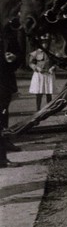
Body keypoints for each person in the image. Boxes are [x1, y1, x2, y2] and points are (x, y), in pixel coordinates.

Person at [0, 39, 20, 168]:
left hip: (3, 92)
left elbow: (8, 69)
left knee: (2, 124)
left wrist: (12, 60)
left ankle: (2, 157)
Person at [28, 37, 55, 110]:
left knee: (48, 92)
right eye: (43, 43)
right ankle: (38, 109)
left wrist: (52, 68)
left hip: (48, 74)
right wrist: (36, 68)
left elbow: (57, 62)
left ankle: (49, 108)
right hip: (39, 74)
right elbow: (30, 63)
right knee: (39, 93)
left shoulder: (52, 52)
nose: (44, 44)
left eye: (46, 43)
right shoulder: (36, 52)